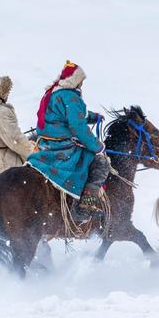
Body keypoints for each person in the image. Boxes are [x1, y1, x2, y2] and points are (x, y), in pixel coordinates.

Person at [26, 60, 111, 221]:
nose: (82, 85)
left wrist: (93, 117)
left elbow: (75, 114)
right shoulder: (71, 97)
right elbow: (78, 127)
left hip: (45, 144)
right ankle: (86, 206)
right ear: (75, 80)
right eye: (81, 81)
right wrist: (98, 147)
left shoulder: (53, 93)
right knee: (101, 164)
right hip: (62, 147)